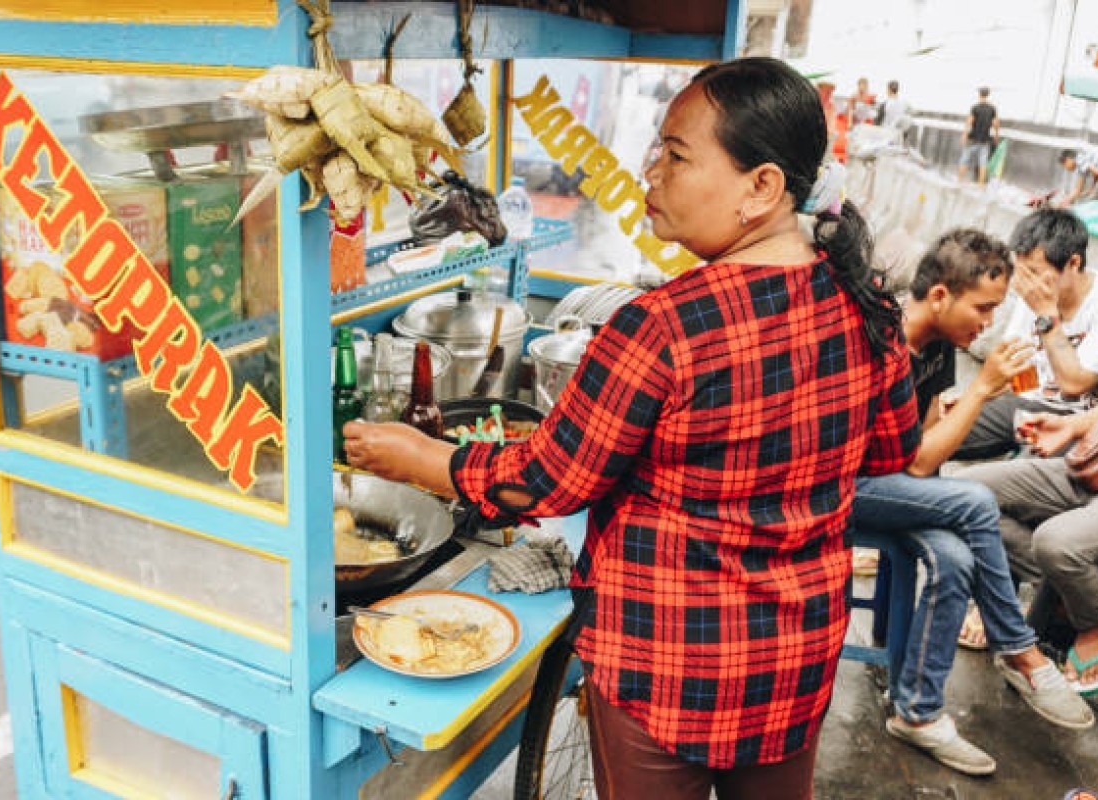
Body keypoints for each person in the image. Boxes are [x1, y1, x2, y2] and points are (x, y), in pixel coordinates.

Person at [344, 57, 921, 799]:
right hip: (794, 656)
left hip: (667, 664)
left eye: (676, 155)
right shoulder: (859, 299)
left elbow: (541, 482)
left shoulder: (664, 327)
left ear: (763, 186)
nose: (651, 171)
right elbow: (893, 448)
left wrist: (426, 458)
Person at [852, 229, 1094, 777]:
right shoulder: (884, 339)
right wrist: (984, 390)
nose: (987, 323)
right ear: (940, 296)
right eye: (982, 308)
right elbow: (914, 464)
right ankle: (1019, 649)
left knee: (957, 556)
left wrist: (976, 394)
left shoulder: (938, 350)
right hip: (842, 487)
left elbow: (926, 451)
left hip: (894, 487)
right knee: (978, 502)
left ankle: (916, 713)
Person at [958, 310, 1098, 697]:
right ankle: (1059, 593)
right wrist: (1069, 427)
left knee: (1057, 541)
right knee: (964, 495)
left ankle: (1094, 624)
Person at [955, 208, 1098, 461]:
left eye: (1034, 272)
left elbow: (1074, 385)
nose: (1024, 282)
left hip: (1074, 416)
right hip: (1027, 406)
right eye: (1021, 270)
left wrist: (1047, 315)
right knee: (946, 423)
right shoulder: (1035, 290)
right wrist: (973, 398)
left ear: (1073, 264)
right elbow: (1016, 368)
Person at [958, 87, 999, 185]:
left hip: (972, 139)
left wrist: (964, 135)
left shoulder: (975, 107)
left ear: (979, 95)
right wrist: (996, 136)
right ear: (988, 95)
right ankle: (980, 185)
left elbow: (969, 122)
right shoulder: (992, 108)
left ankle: (959, 182)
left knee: (964, 160)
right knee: (983, 163)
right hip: (985, 140)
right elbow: (996, 124)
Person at [876, 79, 912, 144]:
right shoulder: (905, 104)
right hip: (898, 138)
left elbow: (877, 122)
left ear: (889, 89)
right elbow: (907, 122)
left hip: (885, 136)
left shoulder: (885, 104)